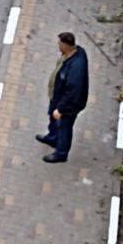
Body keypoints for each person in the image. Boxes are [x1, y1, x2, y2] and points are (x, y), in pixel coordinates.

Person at [38, 32, 90, 163]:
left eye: (60, 44)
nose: (58, 46)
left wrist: (61, 109)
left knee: (64, 127)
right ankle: (53, 137)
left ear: (66, 45)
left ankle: (61, 153)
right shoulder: (71, 54)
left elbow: (73, 92)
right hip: (57, 97)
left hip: (68, 105)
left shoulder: (76, 67)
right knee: (53, 119)